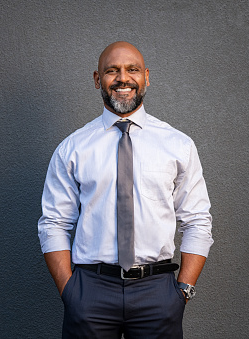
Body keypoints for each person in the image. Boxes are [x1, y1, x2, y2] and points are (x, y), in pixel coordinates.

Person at [38, 41, 213, 338]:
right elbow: (53, 223)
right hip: (90, 291)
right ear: (97, 79)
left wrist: (182, 290)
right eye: (112, 70)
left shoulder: (177, 145)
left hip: (157, 292)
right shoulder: (73, 148)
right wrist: (70, 292)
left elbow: (197, 221)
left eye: (132, 70)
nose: (123, 78)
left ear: (146, 76)